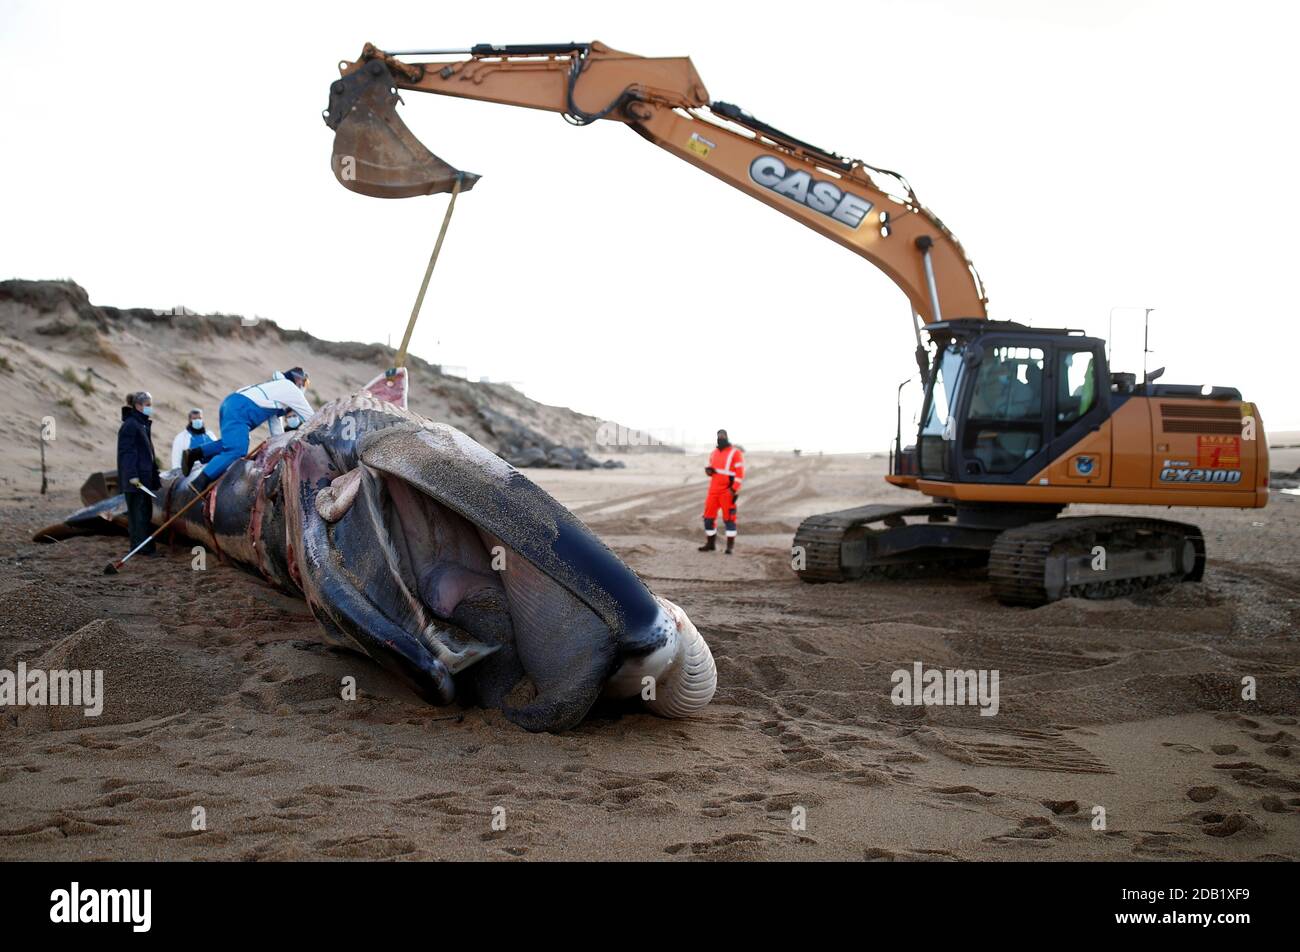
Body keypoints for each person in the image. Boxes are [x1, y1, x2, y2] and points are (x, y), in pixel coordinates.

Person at [187, 367, 314, 494]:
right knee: (237, 450)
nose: (304, 387)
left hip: (231, 403)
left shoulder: (277, 388)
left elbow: (276, 427)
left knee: (232, 443)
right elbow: (311, 417)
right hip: (240, 409)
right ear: (298, 380)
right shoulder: (290, 388)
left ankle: (195, 453)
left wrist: (282, 444)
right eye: (304, 383)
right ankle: (199, 482)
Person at [116, 391, 161, 555]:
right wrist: (132, 476)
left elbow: (147, 453)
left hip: (144, 478)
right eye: (147, 405)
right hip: (135, 480)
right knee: (138, 515)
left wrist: (154, 475)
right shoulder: (130, 425)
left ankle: (141, 548)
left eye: (150, 405)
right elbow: (127, 453)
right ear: (138, 406)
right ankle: (142, 549)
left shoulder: (141, 424)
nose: (150, 408)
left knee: (144, 513)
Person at [698, 428, 745, 555]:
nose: (721, 437)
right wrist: (709, 471)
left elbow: (740, 474)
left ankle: (730, 547)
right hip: (713, 491)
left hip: (727, 491)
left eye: (723, 435)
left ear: (727, 437)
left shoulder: (735, 453)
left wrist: (733, 490)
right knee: (708, 519)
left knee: (729, 519)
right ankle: (711, 544)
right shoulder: (713, 453)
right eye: (719, 435)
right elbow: (714, 470)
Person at [170, 407, 216, 472]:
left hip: (211, 468)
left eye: (199, 418)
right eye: (194, 419)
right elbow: (176, 458)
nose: (198, 420)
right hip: (193, 471)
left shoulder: (210, 434)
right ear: (189, 420)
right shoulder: (181, 437)